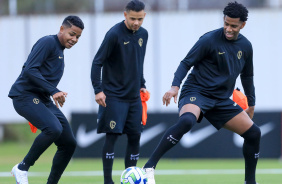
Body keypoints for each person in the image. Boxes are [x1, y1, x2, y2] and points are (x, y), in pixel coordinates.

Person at [143, 2, 260, 184]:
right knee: (187, 121)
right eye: (226, 23)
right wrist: (175, 87)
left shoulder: (246, 46)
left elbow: (248, 75)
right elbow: (185, 63)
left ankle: (250, 182)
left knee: (254, 133)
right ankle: (148, 169)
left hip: (221, 99)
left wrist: (251, 104)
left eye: (233, 26)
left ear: (242, 25)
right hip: (196, 91)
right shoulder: (209, 40)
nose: (228, 28)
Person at [9, 15, 84, 184]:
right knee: (53, 129)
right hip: (24, 96)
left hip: (42, 99)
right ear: (61, 29)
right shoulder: (48, 42)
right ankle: (22, 167)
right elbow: (29, 70)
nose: (74, 39)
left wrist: (53, 93)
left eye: (78, 37)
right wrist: (54, 90)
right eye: (72, 34)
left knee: (69, 143)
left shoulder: (60, 52)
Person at [90, 0, 148, 183]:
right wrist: (98, 90)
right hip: (113, 96)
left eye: (139, 19)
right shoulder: (114, 34)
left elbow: (138, 62)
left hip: (134, 98)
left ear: (144, 16)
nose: (136, 23)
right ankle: (108, 180)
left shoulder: (144, 34)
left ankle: (129, 179)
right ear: (125, 15)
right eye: (132, 19)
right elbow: (97, 62)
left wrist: (142, 84)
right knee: (112, 136)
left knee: (135, 137)